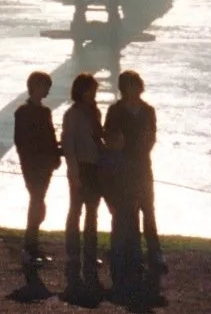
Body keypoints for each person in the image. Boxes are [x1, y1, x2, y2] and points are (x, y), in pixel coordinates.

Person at [104, 69, 162, 296]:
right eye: (132, 85)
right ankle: (130, 255)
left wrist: (140, 148)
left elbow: (151, 136)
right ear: (125, 87)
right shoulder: (115, 110)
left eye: (137, 84)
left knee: (148, 208)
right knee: (126, 211)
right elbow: (109, 135)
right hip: (123, 167)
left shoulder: (148, 110)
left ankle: (154, 252)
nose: (136, 88)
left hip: (142, 165)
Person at [61, 72, 104, 294]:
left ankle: (89, 255)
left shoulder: (95, 112)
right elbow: (68, 144)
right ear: (81, 90)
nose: (93, 93)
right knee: (76, 211)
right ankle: (72, 255)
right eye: (90, 89)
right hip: (80, 167)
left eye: (95, 90)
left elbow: (99, 139)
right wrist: (74, 172)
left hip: (95, 167)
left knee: (92, 213)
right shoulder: (73, 114)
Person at [13, 70, 61, 264]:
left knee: (38, 203)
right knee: (37, 203)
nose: (48, 92)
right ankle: (29, 247)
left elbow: (50, 138)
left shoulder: (44, 112)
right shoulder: (23, 112)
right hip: (34, 166)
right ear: (36, 87)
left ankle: (33, 245)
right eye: (46, 87)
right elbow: (21, 142)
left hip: (44, 165)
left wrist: (56, 155)